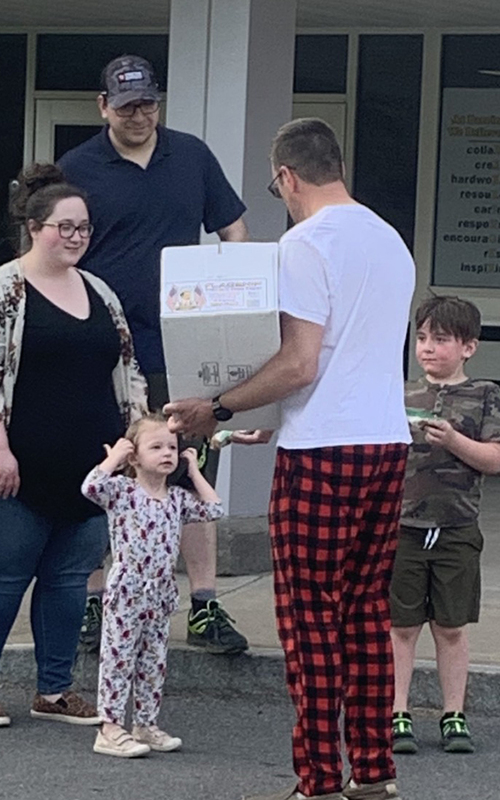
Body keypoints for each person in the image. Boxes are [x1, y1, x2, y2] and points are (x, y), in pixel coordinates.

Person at [165, 118, 415, 800]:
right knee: (365, 611)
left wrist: (218, 408)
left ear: (286, 178)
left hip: (322, 453)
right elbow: (350, 361)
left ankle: (318, 777)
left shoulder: (304, 244)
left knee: (308, 615)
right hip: (386, 442)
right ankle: (375, 769)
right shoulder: (390, 240)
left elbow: (300, 362)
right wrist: (276, 421)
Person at [59, 54, 248, 655]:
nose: (140, 115)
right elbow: (55, 249)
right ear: (103, 106)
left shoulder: (191, 155)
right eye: (127, 105)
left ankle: (202, 605)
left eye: (148, 104)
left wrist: (230, 301)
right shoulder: (77, 167)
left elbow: (235, 229)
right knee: (106, 470)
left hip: (182, 348)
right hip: (104, 349)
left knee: (187, 471)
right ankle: (95, 601)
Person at [0, 163, 147, 727]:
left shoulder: (101, 291)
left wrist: (134, 440)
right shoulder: (9, 289)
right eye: (65, 226)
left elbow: (127, 369)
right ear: (35, 226)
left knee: (68, 582)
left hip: (93, 468)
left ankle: (54, 691)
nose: (76, 237)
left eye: (84, 227)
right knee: (7, 578)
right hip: (21, 470)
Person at [390, 296, 500, 755]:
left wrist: (454, 440)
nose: (428, 348)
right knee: (401, 626)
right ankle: (397, 712)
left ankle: (454, 713)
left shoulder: (486, 393)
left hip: (455, 528)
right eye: (421, 338)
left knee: (451, 627)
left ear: (469, 347)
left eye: (440, 339)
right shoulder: (397, 393)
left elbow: (494, 460)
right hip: (404, 528)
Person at [81, 413, 224, 758]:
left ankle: (145, 722)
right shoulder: (123, 490)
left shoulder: (176, 498)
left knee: (153, 659)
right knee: (118, 658)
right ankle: (110, 727)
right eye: (156, 446)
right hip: (128, 587)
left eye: (172, 447)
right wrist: (114, 457)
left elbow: (214, 509)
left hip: (160, 592)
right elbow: (90, 487)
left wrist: (193, 471)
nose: (167, 453)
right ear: (135, 456)